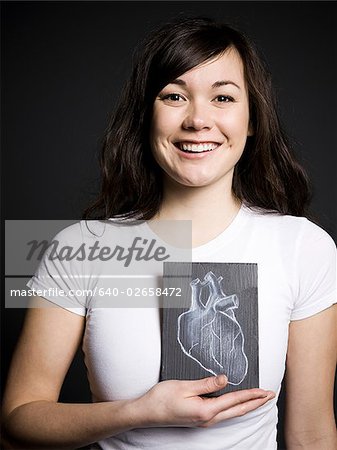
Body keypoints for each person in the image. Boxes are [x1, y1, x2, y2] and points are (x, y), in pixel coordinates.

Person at [2, 17, 336, 450]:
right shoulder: (79, 247)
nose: (198, 119)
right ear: (146, 116)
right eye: (174, 96)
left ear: (252, 119)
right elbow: (15, 423)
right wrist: (142, 411)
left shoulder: (303, 246)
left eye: (223, 97)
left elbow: (312, 433)